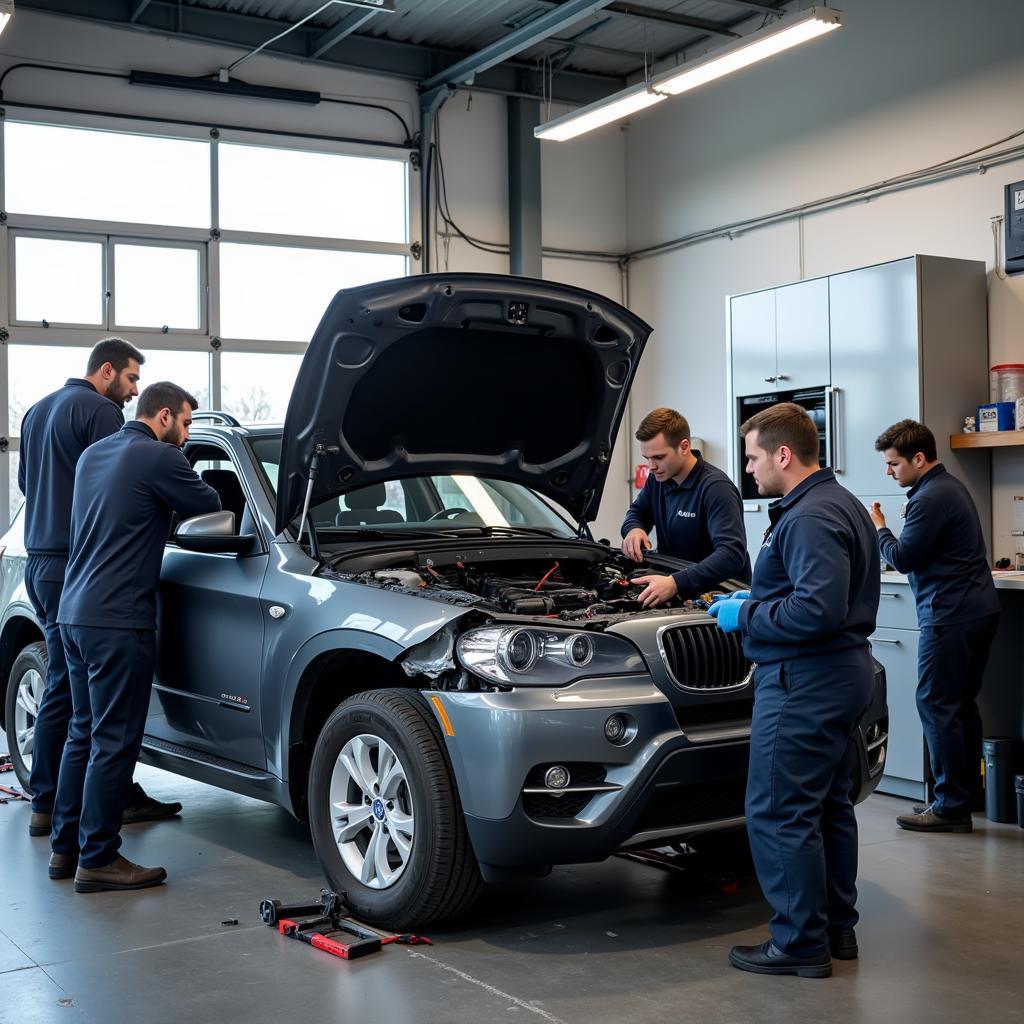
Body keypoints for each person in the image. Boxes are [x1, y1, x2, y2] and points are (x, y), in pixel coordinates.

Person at [709, 402, 879, 978]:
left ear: (783, 454)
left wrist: (746, 615)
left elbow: (817, 609)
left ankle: (799, 944)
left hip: (805, 678)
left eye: (754, 457)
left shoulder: (807, 517)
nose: (749, 470)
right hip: (841, 674)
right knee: (827, 806)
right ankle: (836, 930)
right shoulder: (840, 502)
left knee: (780, 811)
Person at [49, 382, 221, 892]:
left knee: (82, 732)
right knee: (114, 741)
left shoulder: (93, 455)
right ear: (163, 415)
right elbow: (208, 502)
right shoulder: (159, 457)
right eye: (186, 425)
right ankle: (100, 858)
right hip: (118, 621)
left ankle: (66, 849)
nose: (187, 437)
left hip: (74, 614)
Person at [17, 338, 182, 839]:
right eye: (132, 379)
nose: (134, 393)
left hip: (38, 558)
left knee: (63, 691)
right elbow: (124, 482)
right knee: (87, 705)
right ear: (106, 371)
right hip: (81, 565)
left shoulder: (36, 412)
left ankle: (48, 806)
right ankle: (94, 808)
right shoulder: (101, 414)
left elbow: (28, 484)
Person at [870, 419, 999, 834]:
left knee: (936, 705)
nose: (889, 472)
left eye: (893, 464)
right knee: (960, 706)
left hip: (950, 615)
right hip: (978, 611)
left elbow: (903, 557)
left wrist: (880, 530)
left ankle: (948, 806)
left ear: (918, 459)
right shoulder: (951, 487)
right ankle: (967, 796)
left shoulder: (930, 497)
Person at [621, 407, 750, 607]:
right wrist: (633, 529)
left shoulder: (716, 488)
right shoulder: (658, 480)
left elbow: (731, 555)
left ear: (684, 446)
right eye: (647, 458)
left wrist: (676, 582)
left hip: (720, 599)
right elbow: (638, 512)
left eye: (659, 457)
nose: (651, 466)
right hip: (679, 589)